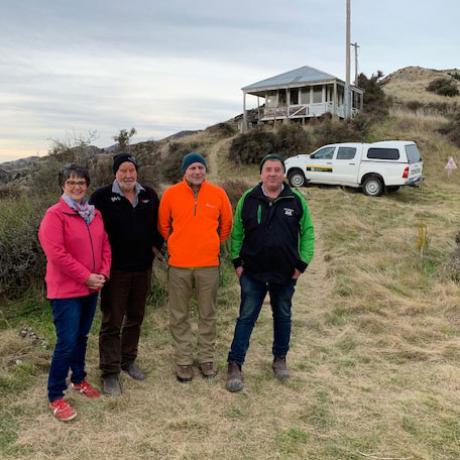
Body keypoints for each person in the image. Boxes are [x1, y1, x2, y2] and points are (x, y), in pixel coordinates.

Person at [225, 154, 314, 392]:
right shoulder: (248, 198)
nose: (272, 173)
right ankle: (235, 363)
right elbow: (236, 232)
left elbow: (308, 232)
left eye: (277, 169)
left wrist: (302, 263)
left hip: (285, 273)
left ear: (283, 174)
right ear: (261, 173)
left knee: (283, 315)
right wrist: (237, 262)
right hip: (252, 272)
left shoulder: (295, 200)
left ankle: (280, 359)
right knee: (246, 317)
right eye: (268, 169)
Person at [38, 164, 111, 422]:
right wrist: (86, 276)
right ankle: (55, 395)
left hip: (90, 287)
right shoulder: (55, 215)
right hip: (66, 291)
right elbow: (57, 255)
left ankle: (79, 379)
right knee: (66, 341)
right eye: (71, 183)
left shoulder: (94, 214)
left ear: (87, 185)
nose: (77, 187)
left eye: (81, 182)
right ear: (63, 186)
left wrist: (102, 273)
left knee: (81, 336)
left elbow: (105, 246)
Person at [90, 153, 163, 395]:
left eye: (132, 170)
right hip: (114, 271)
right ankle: (110, 372)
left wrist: (156, 247)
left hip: (142, 268)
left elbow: (158, 226)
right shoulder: (101, 197)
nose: (128, 175)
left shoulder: (149, 195)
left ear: (137, 172)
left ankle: (128, 360)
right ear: (115, 173)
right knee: (112, 320)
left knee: (135, 317)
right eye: (123, 170)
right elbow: (90, 231)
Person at [158, 152, 233, 382]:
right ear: (185, 171)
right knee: (179, 315)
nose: (197, 172)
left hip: (208, 265)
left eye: (200, 167)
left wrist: (211, 245)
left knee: (207, 314)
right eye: (192, 168)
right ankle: (183, 361)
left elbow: (226, 225)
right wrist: (178, 245)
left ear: (205, 170)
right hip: (179, 266)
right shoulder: (171, 194)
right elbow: (163, 226)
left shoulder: (218, 194)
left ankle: (206, 359)